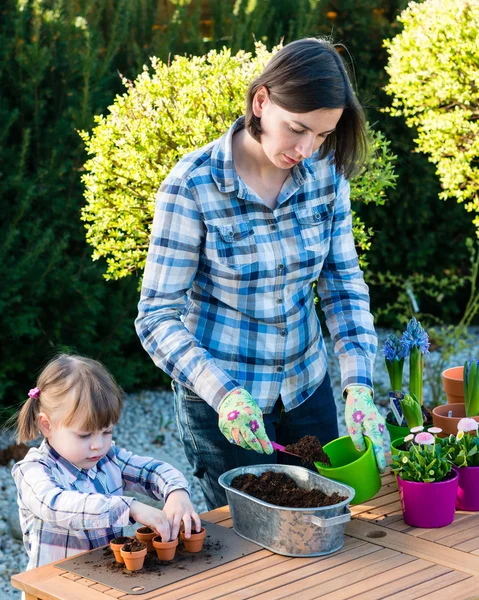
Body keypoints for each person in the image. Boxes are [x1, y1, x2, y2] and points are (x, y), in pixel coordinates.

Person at [135, 37, 386, 511]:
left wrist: (358, 386)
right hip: (225, 404)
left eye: (323, 135)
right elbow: (155, 317)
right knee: (249, 554)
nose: (307, 149)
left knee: (323, 526)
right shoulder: (192, 186)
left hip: (307, 387)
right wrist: (223, 393)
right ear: (261, 101)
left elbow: (342, 284)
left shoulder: (327, 175)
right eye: (298, 129)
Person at [11, 354, 201, 571]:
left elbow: (152, 471)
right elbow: (55, 505)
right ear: (46, 425)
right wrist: (130, 508)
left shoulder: (108, 458)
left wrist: (177, 492)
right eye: (84, 435)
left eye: (107, 431)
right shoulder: (33, 470)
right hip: (54, 588)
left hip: (105, 577)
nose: (98, 445)